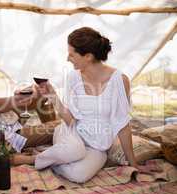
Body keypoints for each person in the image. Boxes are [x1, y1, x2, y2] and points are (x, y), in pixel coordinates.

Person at [33, 27, 161, 183]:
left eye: (72, 54)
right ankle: (33, 160)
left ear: (88, 56)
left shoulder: (119, 80)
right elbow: (70, 120)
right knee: (75, 149)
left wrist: (133, 163)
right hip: (70, 135)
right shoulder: (73, 78)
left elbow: (122, 124)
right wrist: (52, 97)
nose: (67, 58)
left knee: (78, 175)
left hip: (98, 147)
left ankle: (52, 161)